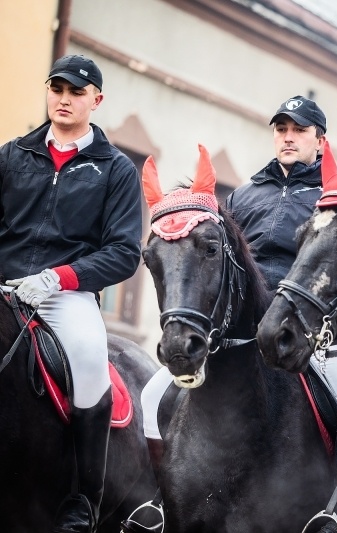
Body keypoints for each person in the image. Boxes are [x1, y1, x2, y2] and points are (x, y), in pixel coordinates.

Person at [123, 96, 337, 532]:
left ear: (320, 141)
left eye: (299, 130)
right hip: (239, 325)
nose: (288, 137)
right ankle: (161, 499)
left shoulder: (328, 198)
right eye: (281, 129)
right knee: (153, 395)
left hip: (303, 327)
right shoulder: (246, 194)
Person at [0, 55, 143, 532]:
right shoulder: (11, 155)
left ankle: (83, 501)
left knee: (87, 359)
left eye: (76, 92)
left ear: (95, 100)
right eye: (57, 89)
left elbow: (123, 253)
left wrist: (56, 278)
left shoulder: (116, 170)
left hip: (65, 294)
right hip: (4, 284)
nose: (64, 99)